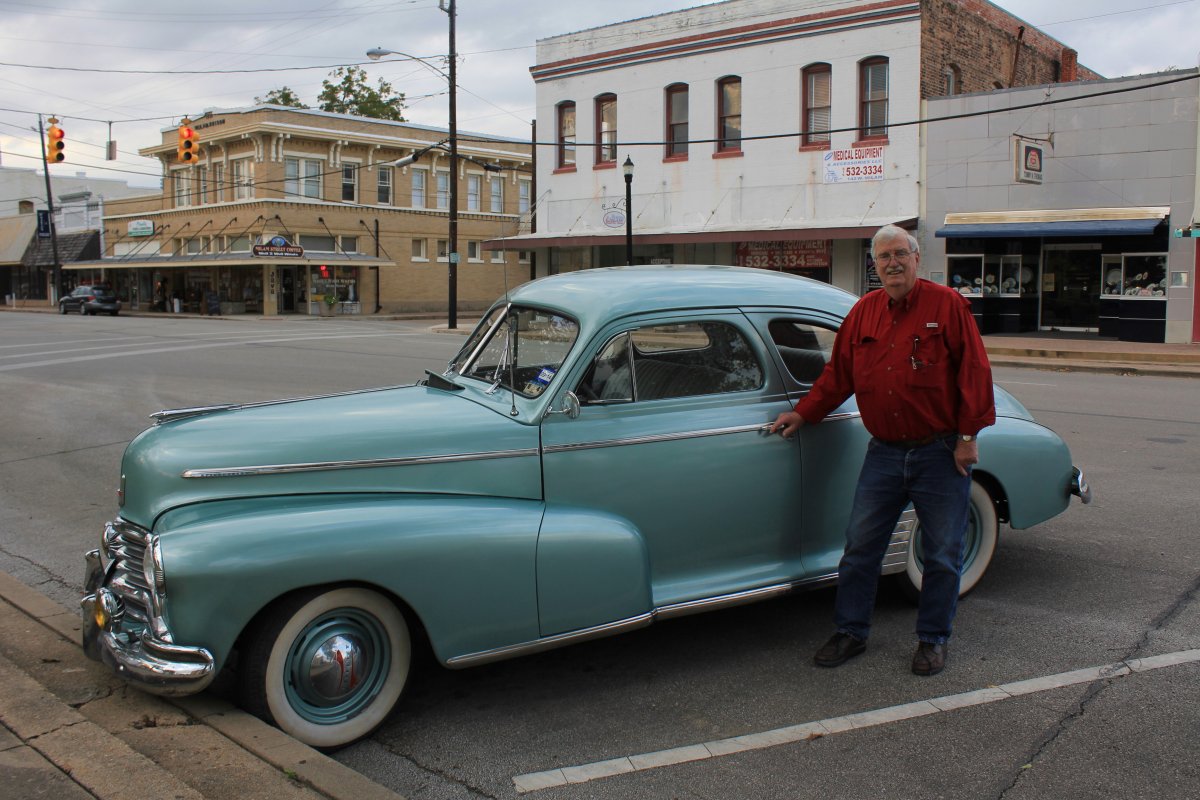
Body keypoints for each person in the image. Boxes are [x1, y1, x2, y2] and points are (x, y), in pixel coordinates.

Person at [770, 224, 995, 677]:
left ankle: (933, 640)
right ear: (875, 266)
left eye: (899, 254)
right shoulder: (864, 312)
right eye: (883, 258)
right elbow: (838, 376)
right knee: (860, 549)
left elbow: (974, 372)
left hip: (939, 452)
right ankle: (851, 631)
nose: (892, 263)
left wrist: (968, 438)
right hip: (885, 455)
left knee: (942, 554)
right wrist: (804, 413)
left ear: (915, 258)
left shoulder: (946, 306)